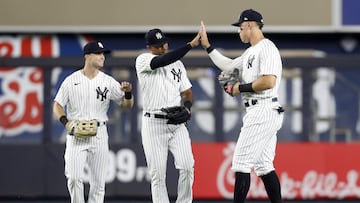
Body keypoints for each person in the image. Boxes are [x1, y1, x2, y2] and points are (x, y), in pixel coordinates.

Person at [199, 9, 285, 203]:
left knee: (241, 163)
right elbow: (229, 66)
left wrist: (240, 88)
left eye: (240, 27)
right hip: (261, 110)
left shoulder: (267, 47)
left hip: (264, 108)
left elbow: (269, 81)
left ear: (249, 25)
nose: (238, 31)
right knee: (264, 166)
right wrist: (207, 46)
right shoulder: (250, 52)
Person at [53, 41, 134, 203]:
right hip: (76, 133)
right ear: (87, 56)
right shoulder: (71, 80)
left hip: (99, 134)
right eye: (98, 54)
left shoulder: (108, 81)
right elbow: (57, 105)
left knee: (98, 184)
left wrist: (128, 94)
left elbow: (127, 106)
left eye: (103, 54)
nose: (102, 57)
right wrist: (66, 123)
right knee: (74, 178)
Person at [135, 28, 200, 203]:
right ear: (150, 47)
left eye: (164, 42)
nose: (163, 47)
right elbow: (162, 60)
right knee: (158, 175)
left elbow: (187, 92)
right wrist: (191, 45)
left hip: (176, 124)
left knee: (187, 166)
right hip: (153, 124)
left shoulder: (178, 64)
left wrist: (187, 108)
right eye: (158, 45)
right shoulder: (143, 60)